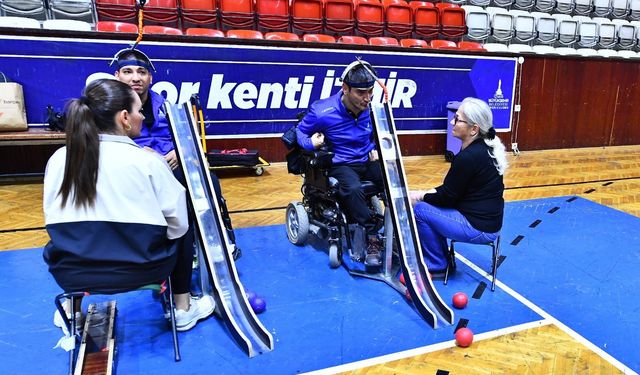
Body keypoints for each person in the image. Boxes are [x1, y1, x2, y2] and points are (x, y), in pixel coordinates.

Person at [43, 79, 215, 333]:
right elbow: (177, 226)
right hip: (146, 271)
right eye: (139, 111)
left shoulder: (59, 159)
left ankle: (72, 310)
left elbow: (51, 220)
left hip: (72, 273)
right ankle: (182, 307)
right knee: (184, 225)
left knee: (69, 236)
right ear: (124, 117)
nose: (142, 117)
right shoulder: (149, 162)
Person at [113, 48, 241, 260]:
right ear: (117, 76)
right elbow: (104, 143)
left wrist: (179, 150)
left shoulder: (166, 106)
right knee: (176, 186)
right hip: (135, 168)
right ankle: (182, 244)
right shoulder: (109, 106)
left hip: (172, 163)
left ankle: (218, 236)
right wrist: (136, 152)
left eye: (141, 72)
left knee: (207, 179)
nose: (135, 78)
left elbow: (187, 138)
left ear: (150, 78)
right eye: (128, 71)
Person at [296, 60, 384, 267]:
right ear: (345, 88)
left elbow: (378, 134)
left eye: (370, 91)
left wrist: (374, 148)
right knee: (352, 189)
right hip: (341, 164)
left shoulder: (372, 110)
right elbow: (300, 131)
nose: (367, 97)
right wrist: (310, 143)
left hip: (366, 159)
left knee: (391, 179)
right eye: (361, 93)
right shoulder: (322, 111)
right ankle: (372, 236)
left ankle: (397, 230)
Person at [410, 97, 509, 275]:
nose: (452, 122)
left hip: (478, 227)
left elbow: (447, 197)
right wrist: (427, 192)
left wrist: (420, 196)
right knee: (429, 203)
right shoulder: (484, 148)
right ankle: (441, 257)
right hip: (488, 223)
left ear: (473, 129)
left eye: (457, 119)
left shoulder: (469, 157)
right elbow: (453, 188)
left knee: (421, 210)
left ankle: (437, 264)